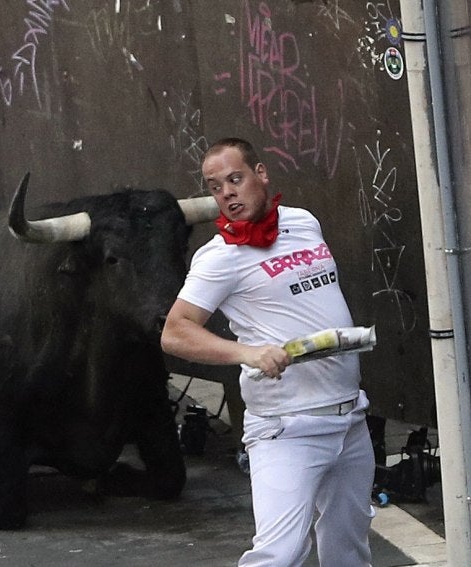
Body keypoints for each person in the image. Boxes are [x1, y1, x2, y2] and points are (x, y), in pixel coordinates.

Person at [160, 138, 375, 566]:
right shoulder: (219, 258)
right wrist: (249, 352)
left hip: (349, 418)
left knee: (348, 553)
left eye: (235, 179)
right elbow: (175, 333)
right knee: (279, 555)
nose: (226, 193)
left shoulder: (304, 222)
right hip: (287, 429)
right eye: (215, 186)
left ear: (261, 174)